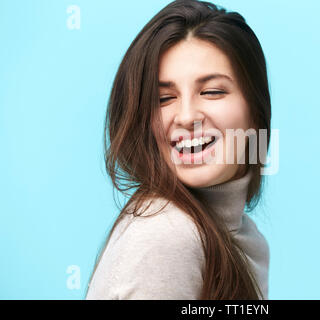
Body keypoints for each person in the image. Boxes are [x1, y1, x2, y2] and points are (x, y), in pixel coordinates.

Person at [85, 0, 272, 300]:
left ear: (255, 110)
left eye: (211, 91)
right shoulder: (168, 236)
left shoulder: (247, 238)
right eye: (163, 99)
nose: (186, 117)